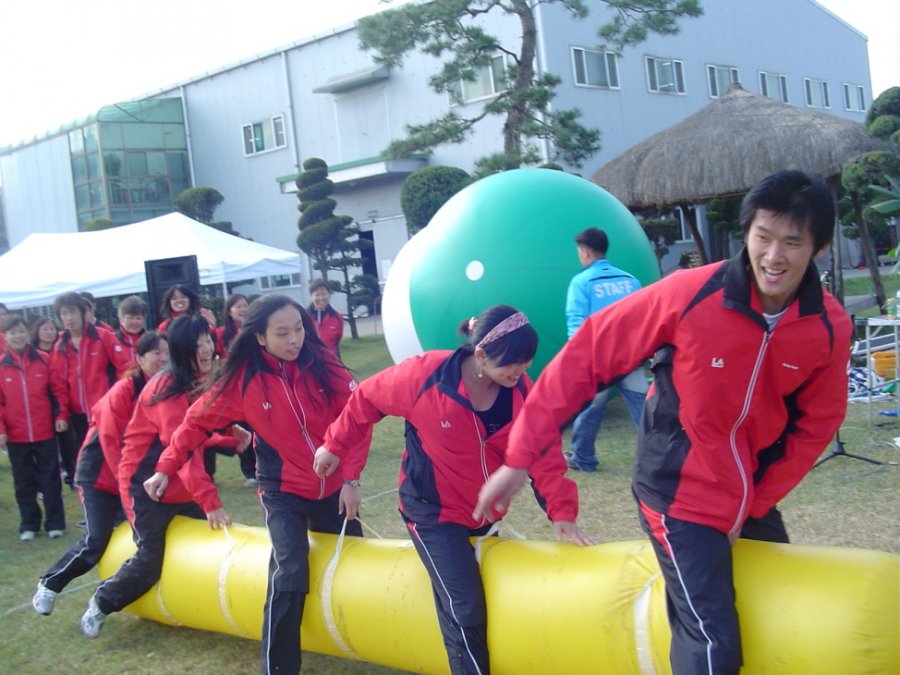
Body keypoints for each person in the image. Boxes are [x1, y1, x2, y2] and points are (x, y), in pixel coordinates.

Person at [473, 171, 853, 675]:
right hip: (677, 490)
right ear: (747, 233)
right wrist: (520, 459)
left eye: (792, 242)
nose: (773, 256)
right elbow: (584, 357)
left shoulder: (827, 326)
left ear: (819, 248)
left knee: (775, 609)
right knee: (712, 642)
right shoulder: (691, 294)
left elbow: (816, 425)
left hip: (747, 491)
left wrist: (754, 503)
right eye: (763, 237)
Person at [314, 304, 590, 675]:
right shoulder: (425, 375)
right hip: (431, 511)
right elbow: (366, 399)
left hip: (483, 513)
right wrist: (334, 445)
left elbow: (544, 454)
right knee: (465, 608)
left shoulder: (522, 392)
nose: (521, 371)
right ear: (480, 354)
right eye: (513, 363)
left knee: (480, 598)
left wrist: (562, 513)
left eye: (527, 362)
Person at [143, 295, 360, 675]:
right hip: (284, 491)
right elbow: (194, 424)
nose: (294, 339)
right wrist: (164, 468)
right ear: (260, 338)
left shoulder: (322, 360)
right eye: (282, 333)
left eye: (298, 329)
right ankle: (279, 668)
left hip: (335, 485)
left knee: (354, 561)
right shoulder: (243, 380)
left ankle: (363, 638)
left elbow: (358, 413)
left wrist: (352, 477)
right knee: (290, 568)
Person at [79, 315, 246, 638]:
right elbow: (181, 450)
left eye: (208, 341)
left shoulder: (198, 379)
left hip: (180, 484)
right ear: (182, 349)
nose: (206, 349)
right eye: (198, 344)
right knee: (150, 557)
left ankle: (201, 605)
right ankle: (102, 602)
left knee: (206, 545)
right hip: (147, 485)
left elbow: (206, 414)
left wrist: (229, 429)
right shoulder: (167, 388)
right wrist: (210, 502)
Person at [32, 332, 170, 615]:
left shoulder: (163, 391)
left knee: (145, 538)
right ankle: (50, 584)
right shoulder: (124, 391)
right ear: (140, 357)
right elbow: (109, 441)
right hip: (98, 477)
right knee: (96, 539)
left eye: (168, 353)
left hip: (130, 480)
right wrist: (127, 485)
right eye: (156, 352)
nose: (163, 359)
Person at [564, 227, 647, 472]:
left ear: (585, 252)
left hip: (599, 360)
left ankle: (583, 459)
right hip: (631, 357)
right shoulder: (630, 281)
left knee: (591, 409)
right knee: (643, 407)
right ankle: (661, 457)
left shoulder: (581, 282)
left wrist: (577, 358)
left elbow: (576, 323)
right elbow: (644, 318)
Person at [49, 292, 131, 487]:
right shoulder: (60, 346)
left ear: (82, 312)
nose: (68, 318)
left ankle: (122, 501)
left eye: (72, 312)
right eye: (63, 314)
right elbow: (58, 383)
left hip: (106, 411)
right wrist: (61, 415)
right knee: (86, 463)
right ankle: (94, 506)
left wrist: (118, 400)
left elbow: (126, 369)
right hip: (78, 415)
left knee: (113, 457)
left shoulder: (103, 337)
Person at [0, 316, 69, 540]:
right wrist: (1, 430)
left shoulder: (44, 359)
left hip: (45, 430)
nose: (17, 336)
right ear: (5, 337)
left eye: (21, 332)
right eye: (12, 333)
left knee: (50, 478)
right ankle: (29, 524)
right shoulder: (1, 365)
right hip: (16, 434)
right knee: (23, 481)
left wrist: (61, 415)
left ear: (28, 334)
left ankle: (55, 523)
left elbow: (58, 390)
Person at [213, 293, 257, 486]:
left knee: (259, 426)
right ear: (229, 311)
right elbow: (214, 359)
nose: (242, 309)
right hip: (233, 387)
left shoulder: (254, 329)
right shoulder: (221, 334)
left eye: (245, 305)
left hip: (254, 385)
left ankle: (262, 468)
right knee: (243, 428)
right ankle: (249, 473)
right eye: (238, 306)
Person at [307, 278, 343, 355]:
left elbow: (337, 341)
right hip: (310, 362)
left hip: (331, 361)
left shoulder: (337, 317)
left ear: (329, 295)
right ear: (311, 297)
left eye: (323, 294)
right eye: (317, 295)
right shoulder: (303, 317)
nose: (321, 298)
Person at [114, 295, 149, 364]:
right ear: (120, 319)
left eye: (138, 318)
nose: (134, 322)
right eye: (130, 318)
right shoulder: (112, 340)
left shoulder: (151, 341)